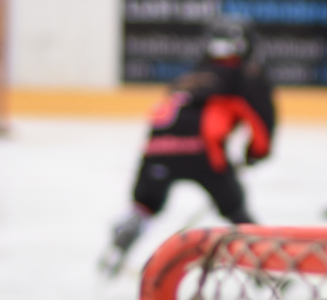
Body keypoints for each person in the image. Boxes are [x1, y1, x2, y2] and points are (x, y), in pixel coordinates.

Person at [102, 18, 275, 276]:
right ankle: (263, 267)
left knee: (146, 203)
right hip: (202, 150)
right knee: (234, 208)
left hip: (157, 148)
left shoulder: (191, 76)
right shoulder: (244, 76)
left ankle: (125, 235)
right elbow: (260, 121)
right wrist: (256, 153)